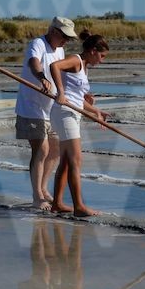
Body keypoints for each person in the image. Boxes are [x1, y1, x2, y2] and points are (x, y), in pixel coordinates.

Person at [15, 17, 78, 209]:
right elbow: (34, 62)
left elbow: (62, 74)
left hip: (51, 108)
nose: (66, 41)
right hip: (32, 107)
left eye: (68, 38)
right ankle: (37, 197)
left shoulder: (60, 50)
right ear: (53, 31)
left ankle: (43, 188)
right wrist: (42, 77)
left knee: (56, 149)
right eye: (64, 36)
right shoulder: (38, 44)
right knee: (41, 149)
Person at [49, 31, 110, 217]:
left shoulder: (84, 66)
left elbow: (76, 98)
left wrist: (96, 111)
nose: (102, 61)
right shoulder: (75, 60)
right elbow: (54, 66)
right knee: (76, 160)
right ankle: (79, 207)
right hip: (64, 113)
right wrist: (60, 92)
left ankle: (57, 203)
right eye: (101, 56)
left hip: (71, 112)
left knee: (67, 161)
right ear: (93, 51)